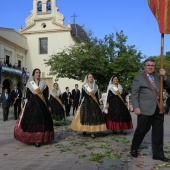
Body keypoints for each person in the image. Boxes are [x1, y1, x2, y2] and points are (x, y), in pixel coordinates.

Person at [130, 58, 170, 162]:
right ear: (145, 66)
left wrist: (165, 77)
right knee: (141, 130)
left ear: (155, 66)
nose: (150, 67)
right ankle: (134, 148)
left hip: (159, 109)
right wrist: (136, 107)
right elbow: (134, 94)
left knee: (158, 133)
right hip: (144, 109)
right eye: (148, 65)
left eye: (152, 65)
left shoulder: (159, 76)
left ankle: (158, 154)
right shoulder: (138, 78)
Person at [14, 68, 54, 147]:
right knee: (33, 121)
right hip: (32, 105)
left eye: (39, 72)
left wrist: (48, 105)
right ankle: (34, 139)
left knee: (41, 121)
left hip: (42, 105)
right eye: (36, 72)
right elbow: (28, 96)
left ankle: (39, 139)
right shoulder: (30, 84)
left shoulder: (43, 84)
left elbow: (46, 97)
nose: (38, 74)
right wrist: (24, 104)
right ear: (33, 74)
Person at [70, 73, 107, 138]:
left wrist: (99, 103)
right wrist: (79, 104)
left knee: (93, 117)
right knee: (85, 116)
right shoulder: (84, 86)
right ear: (87, 78)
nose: (91, 78)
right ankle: (85, 129)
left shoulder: (96, 86)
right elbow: (82, 96)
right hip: (86, 103)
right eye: (89, 77)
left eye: (92, 77)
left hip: (94, 103)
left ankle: (92, 132)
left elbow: (97, 96)